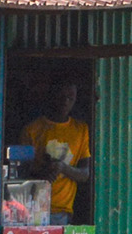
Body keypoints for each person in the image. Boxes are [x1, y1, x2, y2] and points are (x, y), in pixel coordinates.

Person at [18, 84, 95, 220]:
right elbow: (20, 174)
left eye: (70, 98)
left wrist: (62, 168)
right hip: (32, 207)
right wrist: (44, 173)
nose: (65, 101)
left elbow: (85, 174)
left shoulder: (81, 130)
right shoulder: (32, 130)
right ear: (52, 96)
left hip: (62, 210)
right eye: (62, 96)